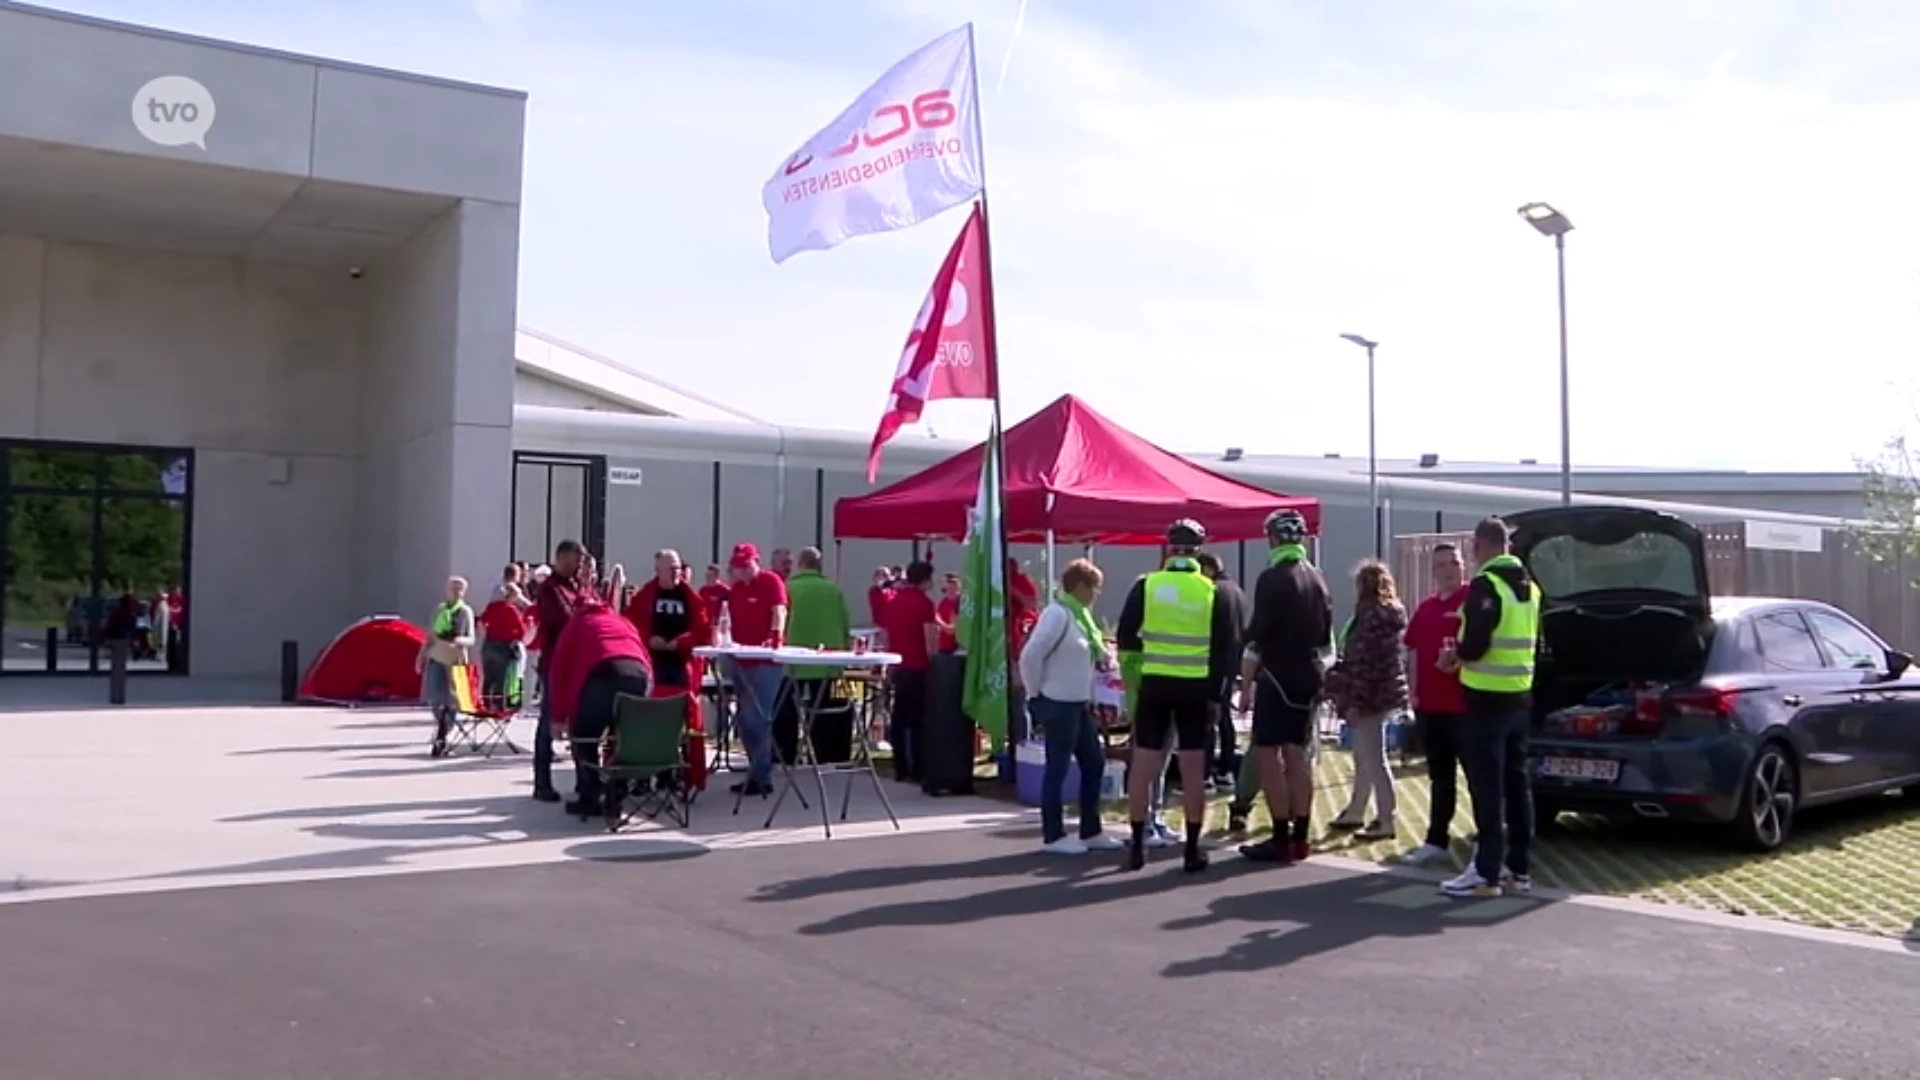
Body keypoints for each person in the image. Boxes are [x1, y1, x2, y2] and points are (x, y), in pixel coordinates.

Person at [1114, 519, 1238, 873]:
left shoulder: (1147, 585)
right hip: (1197, 687)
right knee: (1194, 768)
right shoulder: (1214, 590)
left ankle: (1137, 845)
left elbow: (1125, 637)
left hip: (1155, 682)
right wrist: (1217, 695)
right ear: (1200, 550)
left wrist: (1135, 682)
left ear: (1168, 549)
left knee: (1144, 766)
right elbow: (1225, 649)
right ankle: (1193, 849)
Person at [1441, 516, 1541, 898]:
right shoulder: (1530, 586)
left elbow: (1477, 644)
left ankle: (1485, 874)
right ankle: (1519, 870)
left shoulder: (1488, 584)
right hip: (1520, 694)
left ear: (1480, 545)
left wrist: (1455, 658)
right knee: (1517, 785)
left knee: (1487, 787)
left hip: (1486, 695)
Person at [1236, 508, 1334, 863]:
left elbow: (1257, 633)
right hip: (1310, 673)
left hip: (1278, 673)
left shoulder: (1272, 578)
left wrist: (1246, 680)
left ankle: (1279, 836)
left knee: (1267, 755)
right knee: (1298, 756)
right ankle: (1301, 837)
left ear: (1274, 539)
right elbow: (1325, 634)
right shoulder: (1318, 579)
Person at [1021, 558, 1122, 855]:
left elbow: (1090, 653)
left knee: (1094, 763)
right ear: (1079, 586)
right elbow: (1031, 656)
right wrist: (1035, 695)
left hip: (1078, 704)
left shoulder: (1081, 617)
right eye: (1095, 588)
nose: (1097, 594)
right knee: (1058, 768)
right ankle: (1053, 834)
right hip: (1058, 704)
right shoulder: (1057, 615)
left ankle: (1091, 830)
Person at [545, 596, 653, 819]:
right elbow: (645, 657)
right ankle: (617, 792)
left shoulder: (576, 624)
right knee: (624, 735)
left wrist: (558, 718)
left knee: (584, 735)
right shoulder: (622, 621)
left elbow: (558, 670)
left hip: (602, 674)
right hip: (637, 675)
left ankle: (590, 795)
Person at [1326, 560, 1408, 839]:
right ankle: (1357, 810)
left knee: (1374, 758)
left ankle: (1386, 819)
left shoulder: (1368, 617)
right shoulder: (1391, 615)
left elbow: (1361, 663)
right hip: (1385, 692)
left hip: (1369, 695)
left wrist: (1353, 701)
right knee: (1365, 755)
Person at [1402, 542, 1470, 866]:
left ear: (1463, 566)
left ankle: (1490, 839)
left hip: (1466, 705)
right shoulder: (1426, 608)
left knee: (1478, 776)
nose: (1448, 571)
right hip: (1430, 706)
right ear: (1433, 572)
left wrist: (1459, 661)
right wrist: (1413, 693)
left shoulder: (1471, 601)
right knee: (1440, 776)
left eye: (1453, 563)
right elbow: (1413, 651)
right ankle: (1436, 840)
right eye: (1441, 565)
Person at [724, 543, 788, 797]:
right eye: (738, 566)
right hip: (741, 659)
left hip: (765, 661)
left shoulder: (770, 581)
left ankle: (762, 774)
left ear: (756, 561)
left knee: (757, 717)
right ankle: (755, 770)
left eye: (746, 565)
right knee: (744, 719)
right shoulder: (736, 589)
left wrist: (775, 635)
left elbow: (779, 610)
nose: (743, 570)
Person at [531, 540, 587, 802]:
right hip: (554, 661)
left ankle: (583, 780)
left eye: (579, 560)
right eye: (573, 559)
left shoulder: (578, 587)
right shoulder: (549, 589)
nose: (576, 565)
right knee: (549, 720)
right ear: (561, 558)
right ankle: (541, 781)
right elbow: (563, 619)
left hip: (578, 661)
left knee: (579, 721)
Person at [877, 559, 940, 782]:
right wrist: (935, 659)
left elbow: (885, 635)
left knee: (899, 717)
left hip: (898, 665)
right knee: (918, 719)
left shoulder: (893, 602)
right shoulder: (924, 604)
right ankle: (919, 765)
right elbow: (930, 638)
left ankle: (900, 765)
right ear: (925, 580)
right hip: (919, 666)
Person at [622, 549, 712, 693]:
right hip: (651, 663)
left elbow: (703, 631)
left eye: (678, 568)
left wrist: (680, 642)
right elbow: (630, 627)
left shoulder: (691, 598)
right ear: (658, 570)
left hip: (681, 665)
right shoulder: (644, 597)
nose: (677, 572)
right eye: (672, 569)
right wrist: (649, 639)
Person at [1193, 551, 1247, 787]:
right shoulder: (1235, 590)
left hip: (1215, 664)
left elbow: (1213, 632)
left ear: (1207, 569)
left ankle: (1205, 774)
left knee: (1209, 718)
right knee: (1224, 719)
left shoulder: (1214, 592)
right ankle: (1225, 769)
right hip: (1230, 662)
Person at [783, 546, 853, 702]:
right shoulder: (834, 589)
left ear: (800, 564)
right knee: (830, 708)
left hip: (795, 660)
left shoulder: (788, 588)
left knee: (787, 707)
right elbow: (845, 623)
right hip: (831, 661)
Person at [420, 576, 477, 758]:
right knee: (436, 699)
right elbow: (430, 636)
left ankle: (442, 736)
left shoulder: (465, 612)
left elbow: (471, 638)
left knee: (452, 702)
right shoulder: (440, 610)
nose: (456, 591)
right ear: (446, 589)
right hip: (437, 658)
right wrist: (420, 657)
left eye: (459, 588)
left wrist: (461, 641)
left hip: (456, 660)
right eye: (453, 587)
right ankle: (441, 728)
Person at [478, 581, 530, 704]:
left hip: (489, 644)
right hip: (504, 646)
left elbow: (481, 621)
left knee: (489, 677)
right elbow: (522, 631)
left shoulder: (492, 606)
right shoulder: (512, 610)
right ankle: (498, 706)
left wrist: (486, 633)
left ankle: (486, 704)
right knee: (501, 678)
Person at [934, 573, 962, 653]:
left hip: (954, 650)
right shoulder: (944, 601)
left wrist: (937, 620)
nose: (942, 585)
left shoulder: (958, 602)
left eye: (944, 582)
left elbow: (952, 630)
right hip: (942, 647)